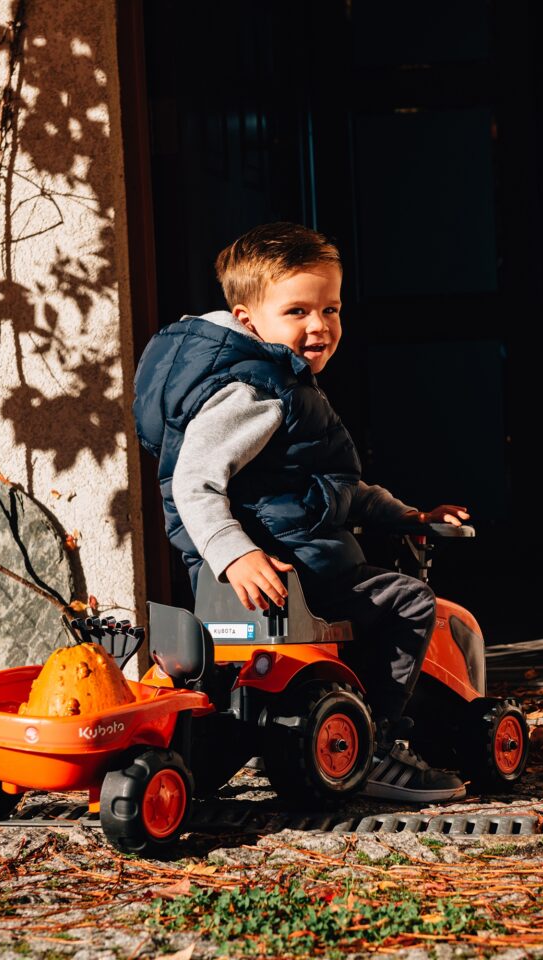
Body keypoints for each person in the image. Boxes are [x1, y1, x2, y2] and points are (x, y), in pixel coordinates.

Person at [133, 221, 469, 803]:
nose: (320, 326)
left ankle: (244, 744)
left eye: (331, 309)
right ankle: (379, 741)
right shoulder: (255, 393)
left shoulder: (284, 386)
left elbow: (338, 489)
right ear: (246, 321)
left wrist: (408, 515)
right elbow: (193, 484)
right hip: (291, 577)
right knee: (411, 602)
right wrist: (235, 556)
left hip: (288, 566)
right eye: (297, 312)